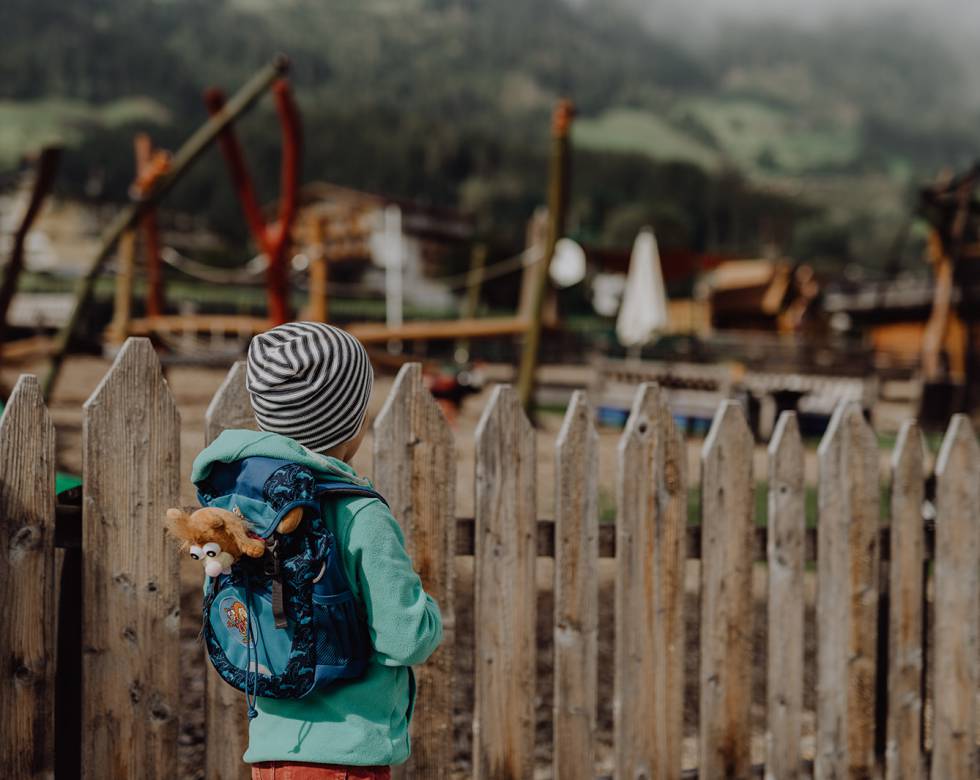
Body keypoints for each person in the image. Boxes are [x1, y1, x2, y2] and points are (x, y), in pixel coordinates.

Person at [193, 322, 443, 780]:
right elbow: (405, 638)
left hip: (270, 750)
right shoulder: (358, 514)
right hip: (345, 756)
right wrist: (429, 612)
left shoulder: (243, 507)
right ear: (349, 422)